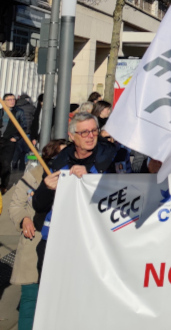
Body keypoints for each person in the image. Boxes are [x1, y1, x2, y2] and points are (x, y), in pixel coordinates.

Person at [32, 113, 130, 278]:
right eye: (84, 132)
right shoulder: (58, 162)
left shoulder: (113, 157)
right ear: (71, 136)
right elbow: (39, 206)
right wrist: (46, 188)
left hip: (98, 245)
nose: (91, 136)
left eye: (94, 131)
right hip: (58, 243)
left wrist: (91, 180)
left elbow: (126, 195)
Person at [9, 139, 67, 330]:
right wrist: (24, 219)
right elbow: (16, 205)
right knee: (30, 298)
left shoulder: (73, 178)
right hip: (34, 243)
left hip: (62, 246)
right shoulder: (32, 177)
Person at [1, 94, 27, 194]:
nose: (12, 101)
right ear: (4, 101)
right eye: (9, 99)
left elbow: (24, 127)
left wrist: (15, 138)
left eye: (13, 99)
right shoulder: (1, 112)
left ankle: (3, 186)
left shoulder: (18, 112)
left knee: (6, 164)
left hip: (9, 141)